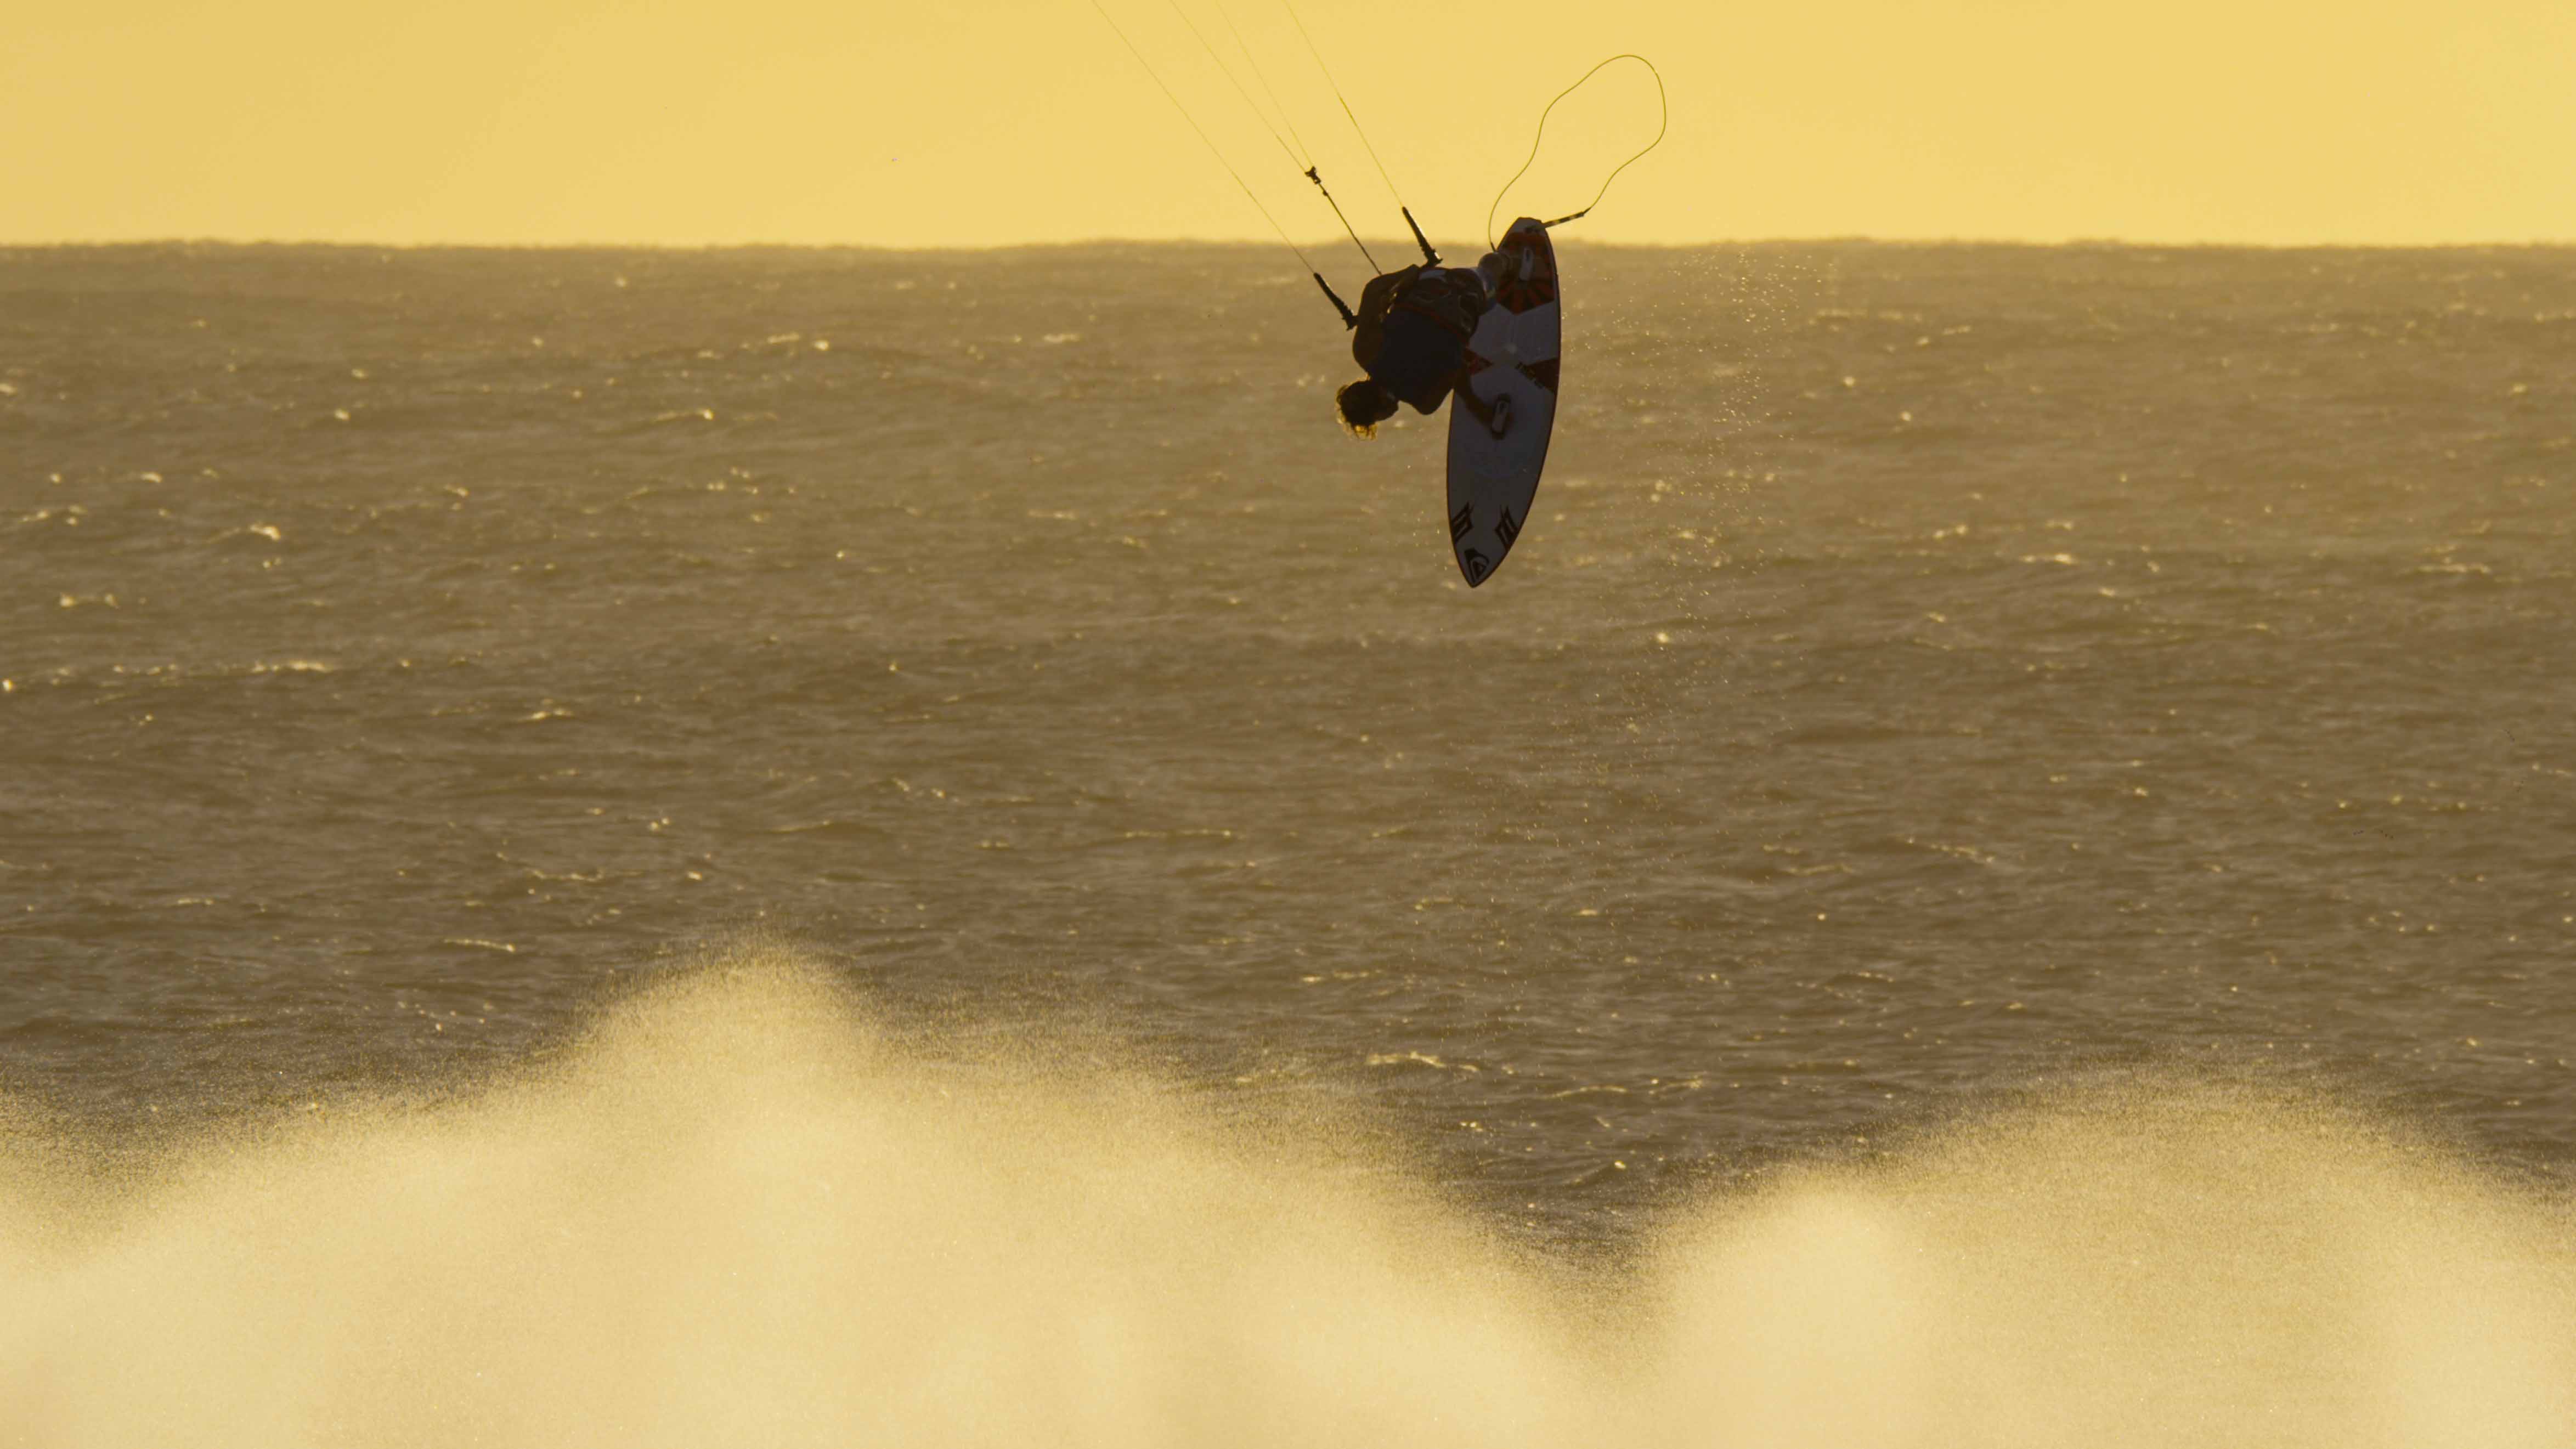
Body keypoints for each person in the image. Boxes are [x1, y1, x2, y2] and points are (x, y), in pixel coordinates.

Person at [1335, 250, 1517, 440]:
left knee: (1487, 283)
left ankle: (1505, 264)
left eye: (1377, 419)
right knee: (1483, 271)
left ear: (1379, 407)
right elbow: (1373, 290)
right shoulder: (1366, 352)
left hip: (1469, 297)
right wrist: (1407, 275)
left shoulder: (1425, 401)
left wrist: (1476, 406)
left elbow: (1458, 371)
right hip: (1432, 281)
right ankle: (1505, 260)